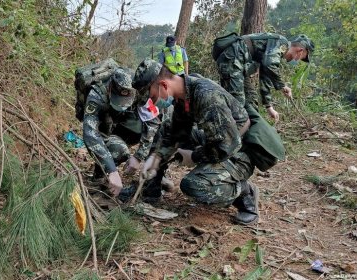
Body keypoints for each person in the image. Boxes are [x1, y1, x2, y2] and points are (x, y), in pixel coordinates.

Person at [125, 59, 285, 225]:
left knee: (193, 185)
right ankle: (151, 189)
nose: (153, 102)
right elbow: (176, 132)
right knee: (166, 127)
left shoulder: (206, 96)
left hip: (240, 150)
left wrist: (193, 156)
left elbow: (226, 147)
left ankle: (245, 193)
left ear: (164, 85)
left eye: (152, 96)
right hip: (218, 138)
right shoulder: (184, 93)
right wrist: (157, 157)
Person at [83, 67, 163, 197]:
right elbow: (90, 134)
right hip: (102, 126)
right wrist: (112, 170)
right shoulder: (96, 95)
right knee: (118, 149)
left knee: (160, 129)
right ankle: (99, 177)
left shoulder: (139, 89)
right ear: (110, 89)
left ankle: (153, 183)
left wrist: (139, 157)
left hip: (120, 123)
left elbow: (153, 121)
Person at [214, 33, 315, 121]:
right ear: (301, 51)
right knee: (237, 105)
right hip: (232, 61)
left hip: (237, 65)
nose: (299, 60)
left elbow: (265, 75)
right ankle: (227, 137)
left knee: (251, 100)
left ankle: (251, 135)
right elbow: (269, 64)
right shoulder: (281, 43)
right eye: (303, 57)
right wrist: (282, 86)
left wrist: (269, 107)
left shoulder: (276, 53)